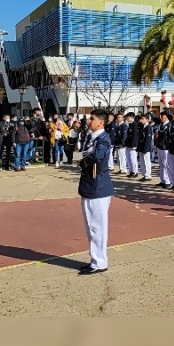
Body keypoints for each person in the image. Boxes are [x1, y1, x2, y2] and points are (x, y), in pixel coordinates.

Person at [77, 109, 114, 275]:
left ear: (101, 122)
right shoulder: (91, 137)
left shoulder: (103, 138)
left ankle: (100, 262)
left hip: (98, 185)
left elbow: (98, 156)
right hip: (89, 184)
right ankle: (94, 259)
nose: (89, 121)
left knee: (98, 227)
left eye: (92, 119)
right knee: (90, 226)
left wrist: (83, 161)